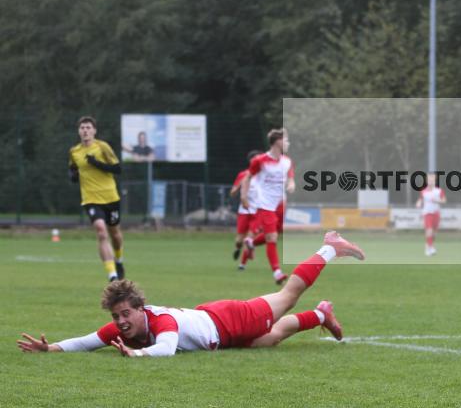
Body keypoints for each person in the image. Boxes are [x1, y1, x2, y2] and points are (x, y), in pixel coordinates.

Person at [17, 232, 365, 356]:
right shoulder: (125, 328)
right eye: (116, 316)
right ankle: (321, 315)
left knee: (288, 295)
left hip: (229, 320)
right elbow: (87, 341)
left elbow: (167, 350)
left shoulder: (161, 322)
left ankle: (330, 248)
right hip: (218, 328)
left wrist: (136, 356)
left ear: (140, 309)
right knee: (270, 340)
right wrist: (51, 348)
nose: (120, 322)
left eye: (126, 314)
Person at [68, 116, 126, 282]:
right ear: (79, 131)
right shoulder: (74, 151)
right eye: (82, 128)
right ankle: (112, 274)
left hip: (110, 197)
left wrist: (95, 163)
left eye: (88, 127)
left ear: (94, 131)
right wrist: (73, 175)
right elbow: (72, 170)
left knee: (115, 234)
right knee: (101, 231)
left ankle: (119, 260)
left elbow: (118, 168)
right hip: (90, 198)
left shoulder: (103, 147)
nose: (85, 130)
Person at [240, 129, 295, 284]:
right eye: (286, 140)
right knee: (272, 237)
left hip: (281, 203)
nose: (288, 143)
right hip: (265, 204)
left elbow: (290, 178)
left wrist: (291, 184)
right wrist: (244, 196)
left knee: (277, 233)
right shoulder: (260, 160)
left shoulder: (287, 161)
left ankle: (251, 242)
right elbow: (247, 178)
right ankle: (277, 273)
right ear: (277, 142)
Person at [230, 150, 262, 269]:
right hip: (244, 211)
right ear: (251, 161)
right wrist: (237, 188)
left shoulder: (264, 175)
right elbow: (232, 192)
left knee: (249, 238)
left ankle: (242, 264)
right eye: (256, 160)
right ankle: (238, 248)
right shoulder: (244, 175)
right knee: (239, 240)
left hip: (258, 211)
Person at [416, 173, 445, 256]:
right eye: (429, 180)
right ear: (427, 181)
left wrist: (437, 200)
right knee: (429, 230)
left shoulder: (439, 191)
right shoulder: (423, 191)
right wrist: (418, 203)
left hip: (436, 213)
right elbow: (420, 199)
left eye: (432, 180)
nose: (430, 182)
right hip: (427, 213)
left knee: (434, 233)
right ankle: (431, 247)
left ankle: (428, 246)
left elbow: (443, 200)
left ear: (435, 181)